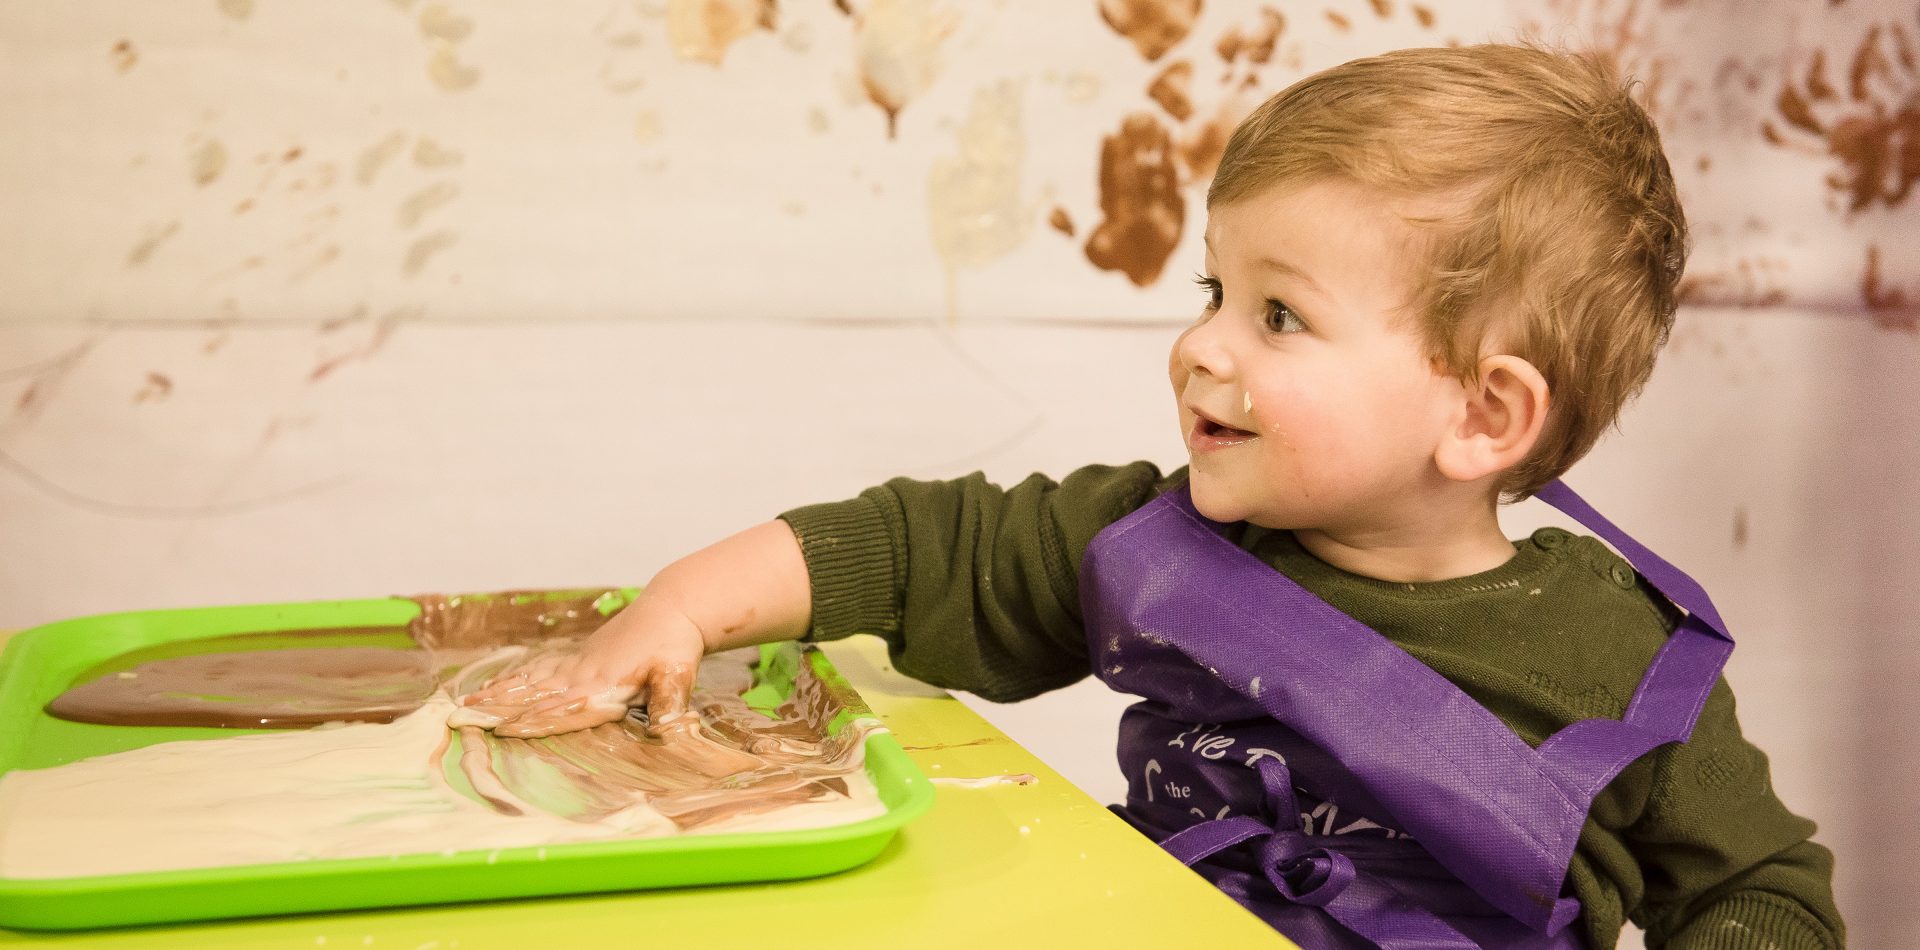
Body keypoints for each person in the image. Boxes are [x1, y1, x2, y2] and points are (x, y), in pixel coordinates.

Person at [458, 43, 1843, 949]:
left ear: (1484, 413)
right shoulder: (1155, 536)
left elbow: (1768, 892)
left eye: (1281, 315)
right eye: (1214, 291)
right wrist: (682, 605)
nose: (1202, 345)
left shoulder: (1626, 658)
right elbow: (919, 547)